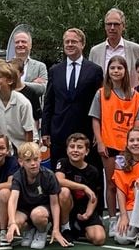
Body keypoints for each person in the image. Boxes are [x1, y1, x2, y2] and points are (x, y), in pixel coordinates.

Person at [90, 56, 139, 210]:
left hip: (128, 147)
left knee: (128, 183)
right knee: (111, 183)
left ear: (125, 71)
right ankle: (113, 218)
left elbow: (137, 123)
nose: (116, 71)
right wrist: (100, 142)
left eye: (119, 68)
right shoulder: (101, 93)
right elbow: (96, 119)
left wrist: (135, 144)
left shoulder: (135, 96)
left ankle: (130, 215)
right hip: (109, 145)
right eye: (112, 68)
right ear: (108, 71)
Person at [42, 27, 104, 156]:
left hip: (86, 131)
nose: (70, 44)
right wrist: (45, 131)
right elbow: (49, 102)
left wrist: (99, 132)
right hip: (59, 132)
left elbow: (100, 104)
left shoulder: (94, 70)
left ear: (83, 44)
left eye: (74, 42)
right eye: (67, 42)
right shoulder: (55, 70)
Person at [5, 141, 68, 250]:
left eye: (35, 159)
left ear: (40, 158)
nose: (33, 163)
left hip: (42, 209)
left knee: (37, 215)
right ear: (21, 162)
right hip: (25, 209)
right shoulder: (18, 176)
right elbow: (13, 199)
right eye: (28, 160)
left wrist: (56, 229)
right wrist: (12, 222)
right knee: (15, 219)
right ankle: (30, 229)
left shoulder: (48, 175)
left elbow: (54, 204)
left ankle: (41, 231)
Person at [54, 133, 106, 245]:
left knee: (99, 238)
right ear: (67, 150)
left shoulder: (93, 171)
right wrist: (83, 187)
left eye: (80, 147)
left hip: (83, 207)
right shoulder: (63, 163)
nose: (75, 150)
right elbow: (59, 180)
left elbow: (94, 195)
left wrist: (88, 213)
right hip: (68, 207)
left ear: (87, 151)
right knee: (64, 191)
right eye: (72, 147)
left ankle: (79, 229)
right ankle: (65, 227)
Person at [112, 126, 139, 247]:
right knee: (121, 238)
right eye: (132, 140)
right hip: (132, 206)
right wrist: (123, 216)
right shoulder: (121, 162)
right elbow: (120, 191)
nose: (135, 143)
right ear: (126, 144)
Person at [0, 60, 36, 151]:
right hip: (7, 147)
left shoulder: (23, 102)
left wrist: (26, 153)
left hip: (25, 144)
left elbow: (29, 132)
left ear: (10, 80)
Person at [8, 26, 48, 95]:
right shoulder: (6, 65)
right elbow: (2, 86)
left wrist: (15, 83)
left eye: (23, 42)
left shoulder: (40, 66)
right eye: (17, 42)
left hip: (32, 105)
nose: (20, 44)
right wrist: (33, 84)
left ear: (30, 45)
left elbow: (43, 89)